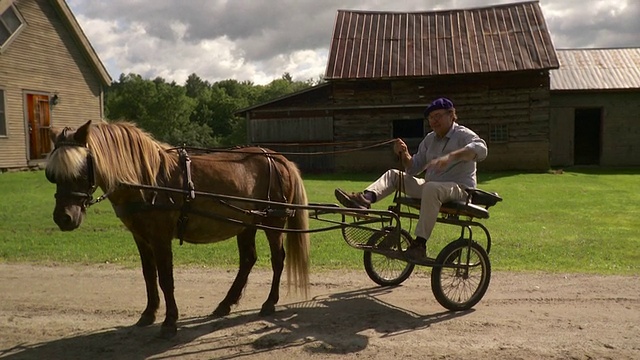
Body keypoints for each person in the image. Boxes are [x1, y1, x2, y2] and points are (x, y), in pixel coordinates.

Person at [334, 97, 488, 261]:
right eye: (431, 118)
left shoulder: (463, 135)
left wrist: (451, 157)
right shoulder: (430, 139)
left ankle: (419, 244)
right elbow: (414, 167)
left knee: (431, 187)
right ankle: (364, 200)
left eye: (438, 116)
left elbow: (481, 150)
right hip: (432, 188)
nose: (434, 121)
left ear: (451, 115)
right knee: (394, 175)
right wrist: (404, 153)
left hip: (460, 190)